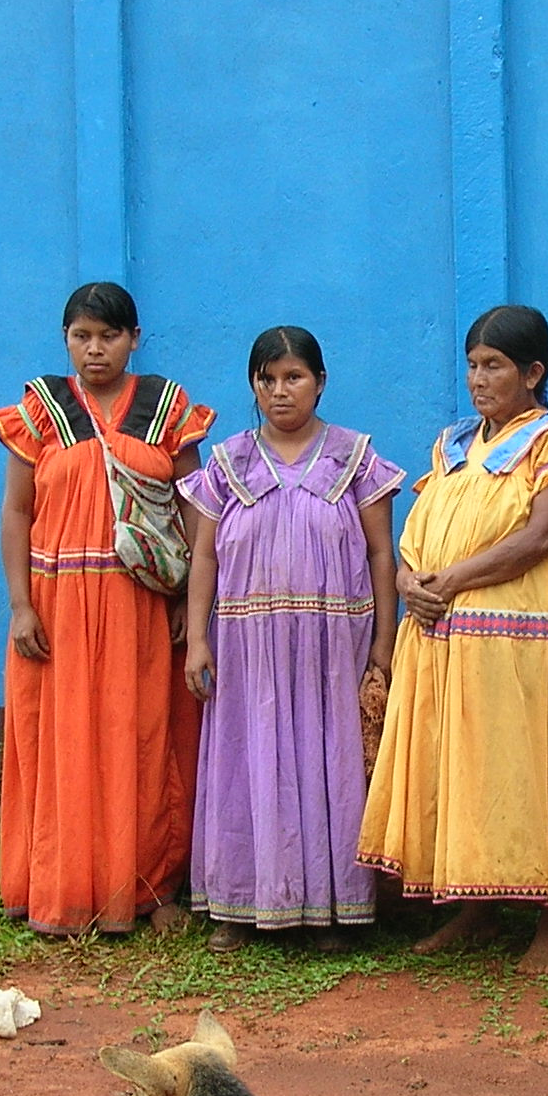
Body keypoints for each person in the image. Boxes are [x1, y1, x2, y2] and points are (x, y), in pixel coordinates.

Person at [359, 305, 548, 973]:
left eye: (493, 365)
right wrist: (411, 581)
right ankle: (474, 905)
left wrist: (452, 580)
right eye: (472, 365)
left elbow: (541, 535)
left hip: (528, 653)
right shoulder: (452, 448)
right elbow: (415, 536)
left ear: (534, 372)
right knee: (469, 773)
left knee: (542, 768)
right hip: (452, 645)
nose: (478, 378)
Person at [0, 282, 215, 936]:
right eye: (82, 336)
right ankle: (60, 884)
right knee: (59, 743)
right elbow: (16, 512)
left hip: (142, 605)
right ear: (66, 340)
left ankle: (145, 887)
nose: (96, 349)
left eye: (109, 336)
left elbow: (197, 510)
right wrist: (19, 606)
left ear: (134, 339)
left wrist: (185, 600)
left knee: (142, 740)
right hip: (55, 608)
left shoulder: (166, 409)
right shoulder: (42, 410)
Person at [181, 327, 404, 950]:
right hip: (247, 649)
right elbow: (203, 558)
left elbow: (383, 555)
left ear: (320, 382)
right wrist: (198, 639)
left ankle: (328, 909)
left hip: (333, 649)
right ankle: (238, 907)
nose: (280, 391)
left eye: (294, 377)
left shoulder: (354, 459)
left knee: (327, 766)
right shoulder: (227, 464)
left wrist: (383, 646)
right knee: (245, 764)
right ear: (254, 385)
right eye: (267, 379)